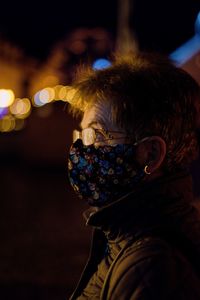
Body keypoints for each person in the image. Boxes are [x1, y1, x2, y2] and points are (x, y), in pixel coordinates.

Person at [67, 53, 200, 299]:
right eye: (81, 135)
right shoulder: (124, 236)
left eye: (96, 136)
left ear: (150, 154)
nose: (80, 150)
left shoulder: (153, 267)